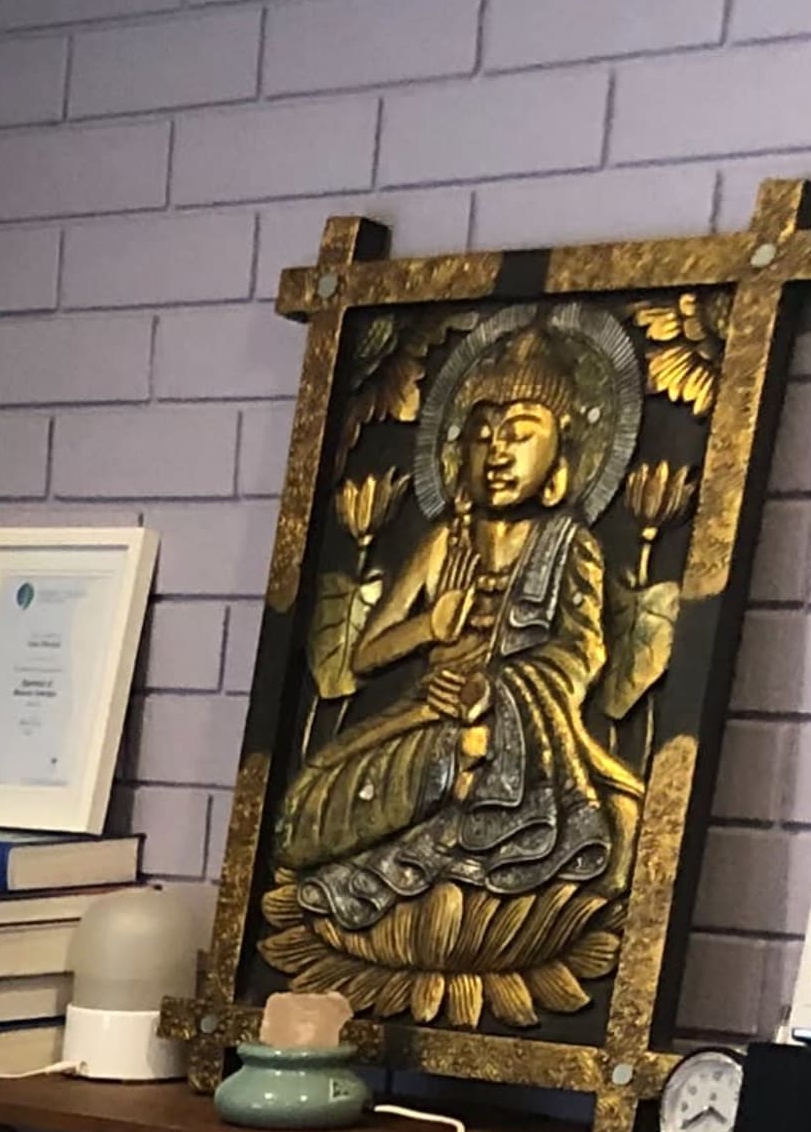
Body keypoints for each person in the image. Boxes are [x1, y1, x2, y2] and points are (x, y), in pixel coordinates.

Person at [271, 320, 645, 946]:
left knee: (610, 821)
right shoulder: (444, 540)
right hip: (426, 724)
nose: (498, 452)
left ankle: (465, 810)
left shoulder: (566, 544)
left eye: (521, 435)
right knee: (304, 809)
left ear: (563, 456)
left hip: (528, 734)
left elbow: (582, 651)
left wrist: (494, 694)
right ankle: (453, 788)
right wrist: (428, 625)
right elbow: (365, 655)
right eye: (482, 435)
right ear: (459, 454)